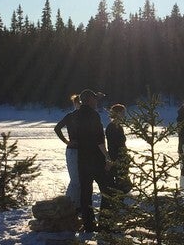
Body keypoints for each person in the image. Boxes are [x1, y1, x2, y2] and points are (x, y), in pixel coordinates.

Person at [55, 89, 112, 232]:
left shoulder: (73, 115)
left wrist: (68, 142)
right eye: (95, 99)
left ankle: (88, 225)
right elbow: (99, 138)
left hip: (81, 158)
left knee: (86, 192)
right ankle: (104, 224)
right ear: (90, 100)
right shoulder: (93, 115)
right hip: (95, 157)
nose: (96, 102)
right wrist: (107, 157)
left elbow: (57, 128)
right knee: (107, 190)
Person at [53, 93, 81, 203]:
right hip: (73, 151)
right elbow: (57, 128)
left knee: (81, 180)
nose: (79, 105)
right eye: (78, 103)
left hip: (83, 150)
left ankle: (77, 204)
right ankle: (68, 204)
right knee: (75, 180)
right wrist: (67, 142)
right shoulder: (71, 116)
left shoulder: (85, 116)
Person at [106, 103, 130, 193]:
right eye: (123, 112)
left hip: (121, 158)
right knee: (121, 184)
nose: (125, 115)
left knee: (123, 183)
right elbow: (114, 145)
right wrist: (116, 160)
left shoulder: (118, 126)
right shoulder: (112, 127)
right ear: (118, 113)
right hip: (117, 158)